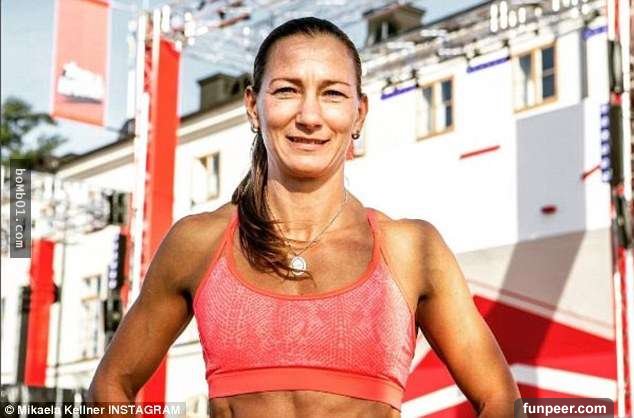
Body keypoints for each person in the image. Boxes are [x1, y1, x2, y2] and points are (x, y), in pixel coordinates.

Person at [88, 17, 522, 418]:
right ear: (253, 107)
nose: (309, 117)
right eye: (287, 91)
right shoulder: (199, 241)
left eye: (332, 94)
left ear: (359, 113)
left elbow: (500, 399)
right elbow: (109, 387)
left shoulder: (412, 249)